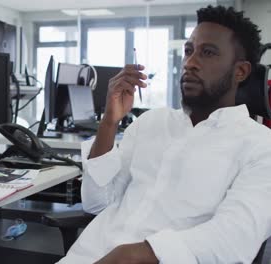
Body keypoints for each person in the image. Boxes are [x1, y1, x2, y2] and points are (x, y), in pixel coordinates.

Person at [57, 5, 271, 264]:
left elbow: (235, 237)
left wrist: (137, 254)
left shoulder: (260, 146)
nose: (190, 63)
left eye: (208, 53)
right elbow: (97, 203)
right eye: (189, 51)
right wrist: (109, 122)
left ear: (241, 71)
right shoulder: (152, 122)